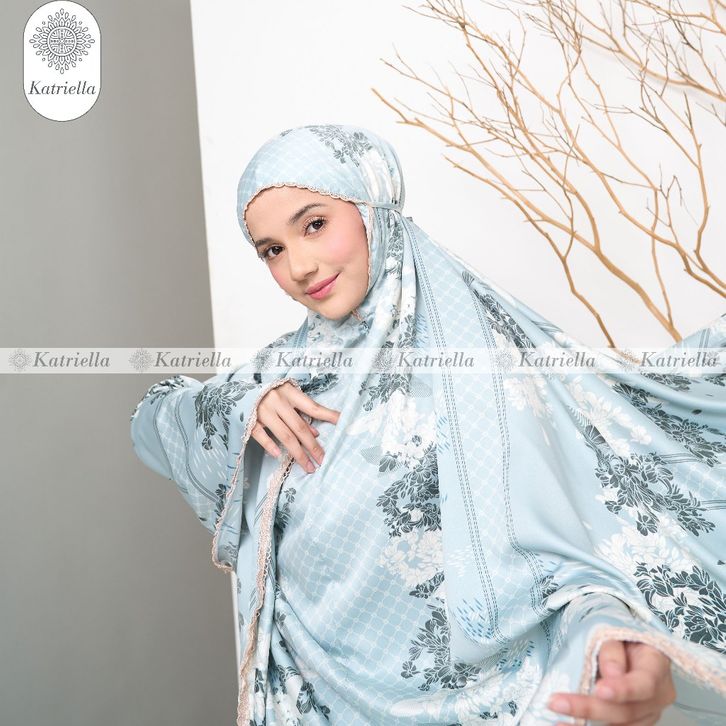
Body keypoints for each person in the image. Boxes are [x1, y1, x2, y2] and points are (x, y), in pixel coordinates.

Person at [130, 124, 726, 725]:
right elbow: (154, 417)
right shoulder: (278, 377)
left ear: (372, 207)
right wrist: (241, 404)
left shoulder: (486, 365)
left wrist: (610, 635)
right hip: (312, 706)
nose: (300, 266)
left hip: (489, 703)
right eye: (272, 251)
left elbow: (565, 548)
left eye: (314, 225)